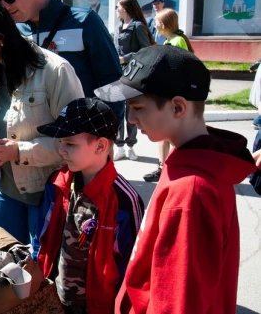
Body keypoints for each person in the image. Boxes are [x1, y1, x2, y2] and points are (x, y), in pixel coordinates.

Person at [94, 46, 257, 314]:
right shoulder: (192, 161)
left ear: (178, 107)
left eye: (138, 108)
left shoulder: (190, 193)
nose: (131, 119)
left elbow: (179, 302)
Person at [0, 0, 84, 244]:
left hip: (46, 194)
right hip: (2, 190)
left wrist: (18, 151)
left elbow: (76, 142)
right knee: (7, 263)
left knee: (39, 275)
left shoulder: (55, 71)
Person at [33, 98, 144, 314]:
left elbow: (133, 267)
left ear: (101, 145)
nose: (62, 151)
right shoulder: (57, 183)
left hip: (99, 307)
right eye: (61, 142)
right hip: (55, 297)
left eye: (71, 144)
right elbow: (41, 238)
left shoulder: (124, 200)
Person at [0, 0, 125, 129]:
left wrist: (107, 130)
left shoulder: (84, 21)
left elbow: (112, 80)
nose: (5, 6)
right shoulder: (14, 32)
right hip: (36, 142)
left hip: (82, 137)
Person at [143, 8, 193, 182]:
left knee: (171, 134)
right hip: (169, 94)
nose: (154, 25)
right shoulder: (171, 42)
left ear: (162, 24)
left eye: (156, 22)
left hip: (173, 95)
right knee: (163, 134)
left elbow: (179, 69)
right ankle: (162, 167)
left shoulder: (176, 42)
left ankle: (183, 165)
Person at [113, 0, 154, 161]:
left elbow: (146, 50)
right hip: (117, 72)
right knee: (117, 110)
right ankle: (119, 146)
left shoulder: (138, 26)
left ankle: (130, 146)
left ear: (127, 8)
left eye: (118, 7)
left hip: (133, 72)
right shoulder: (118, 27)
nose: (116, 9)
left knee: (130, 111)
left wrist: (126, 58)